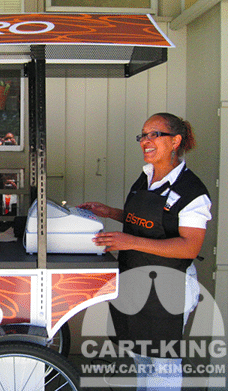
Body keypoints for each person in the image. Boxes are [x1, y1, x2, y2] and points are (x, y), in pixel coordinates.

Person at [78, 113, 211, 390]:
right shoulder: (147, 176)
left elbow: (190, 245)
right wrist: (110, 212)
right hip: (137, 281)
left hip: (169, 288)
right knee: (142, 360)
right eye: (143, 135)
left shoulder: (192, 191)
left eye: (155, 134)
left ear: (175, 141)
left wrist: (130, 242)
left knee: (162, 364)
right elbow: (147, 221)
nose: (146, 141)